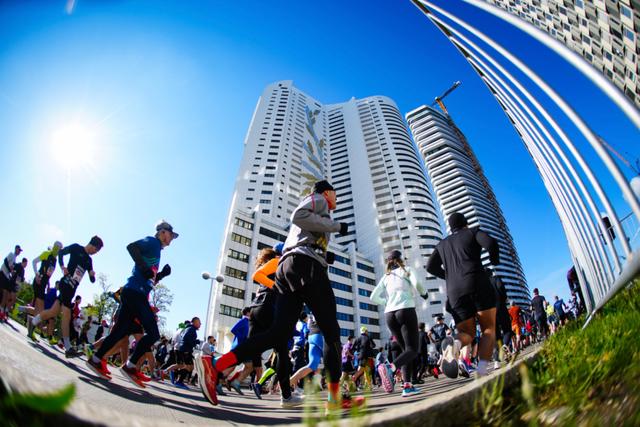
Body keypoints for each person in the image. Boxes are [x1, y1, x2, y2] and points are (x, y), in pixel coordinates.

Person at [197, 180, 357, 410]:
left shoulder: (316, 216)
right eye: (335, 194)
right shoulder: (319, 199)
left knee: (277, 334)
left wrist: (325, 254)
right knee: (331, 332)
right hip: (306, 266)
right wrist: (337, 226)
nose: (336, 200)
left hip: (290, 267)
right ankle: (333, 400)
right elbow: (299, 215)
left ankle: (217, 365)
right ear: (327, 191)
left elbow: (304, 236)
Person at [86, 221, 175, 387]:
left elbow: (149, 278)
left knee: (119, 332)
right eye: (171, 235)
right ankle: (130, 366)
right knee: (154, 334)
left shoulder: (156, 250)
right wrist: (142, 267)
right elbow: (131, 247)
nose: (172, 239)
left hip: (134, 292)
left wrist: (162, 274)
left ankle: (96, 359)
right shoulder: (152, 242)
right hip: (135, 293)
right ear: (162, 232)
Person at [426, 212, 500, 378]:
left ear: (451, 228)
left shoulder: (442, 244)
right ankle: (481, 371)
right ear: (465, 223)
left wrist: (448, 276)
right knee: (488, 328)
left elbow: (430, 266)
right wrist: (494, 260)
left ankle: (455, 344)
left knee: (467, 333)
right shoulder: (472, 232)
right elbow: (491, 243)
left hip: (455, 292)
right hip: (478, 282)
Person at [29, 237, 103, 356]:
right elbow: (61, 253)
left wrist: (92, 275)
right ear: (93, 246)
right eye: (96, 250)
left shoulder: (89, 261)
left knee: (52, 312)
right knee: (67, 314)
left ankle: (33, 321)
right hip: (65, 283)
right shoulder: (76, 248)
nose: (95, 253)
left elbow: (92, 279)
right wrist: (63, 267)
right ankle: (68, 347)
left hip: (73, 288)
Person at [370, 249, 425, 397]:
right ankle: (390, 367)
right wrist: (424, 293)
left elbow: (373, 296)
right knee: (412, 349)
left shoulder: (386, 277)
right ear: (401, 260)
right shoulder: (406, 270)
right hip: (405, 310)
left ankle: (407, 386)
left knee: (406, 352)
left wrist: (386, 302)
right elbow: (418, 283)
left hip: (389, 314)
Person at [31, 242, 63, 320]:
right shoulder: (47, 253)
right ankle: (33, 324)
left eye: (60, 248)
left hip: (44, 284)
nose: (57, 248)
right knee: (41, 308)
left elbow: (48, 274)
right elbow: (34, 261)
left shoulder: (55, 260)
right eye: (56, 246)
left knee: (38, 309)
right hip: (39, 281)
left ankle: (31, 325)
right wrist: (36, 275)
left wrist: (48, 285)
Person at [0, 257, 27, 322]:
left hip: (16, 286)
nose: (26, 265)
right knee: (9, 298)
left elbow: (21, 279)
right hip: (12, 283)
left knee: (12, 299)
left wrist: (23, 280)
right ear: (23, 262)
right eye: (25, 264)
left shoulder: (23, 270)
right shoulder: (17, 265)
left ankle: (5, 311)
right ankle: (4, 311)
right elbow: (12, 270)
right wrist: (13, 273)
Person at [0, 245, 22, 322]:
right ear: (16, 249)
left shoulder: (15, 259)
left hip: (6, 276)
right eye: (19, 250)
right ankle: (2, 311)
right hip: (3, 273)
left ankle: (2, 311)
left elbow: (11, 267)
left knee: (5, 294)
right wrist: (9, 270)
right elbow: (5, 261)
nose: (19, 252)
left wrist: (11, 272)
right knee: (4, 293)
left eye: (20, 251)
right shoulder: (11, 254)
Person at [351, 326, 376, 390]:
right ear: (365, 331)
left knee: (362, 370)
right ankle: (352, 380)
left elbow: (353, 348)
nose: (368, 332)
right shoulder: (368, 337)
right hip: (367, 356)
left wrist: (358, 352)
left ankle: (369, 385)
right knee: (365, 371)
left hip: (361, 356)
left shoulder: (357, 338)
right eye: (367, 331)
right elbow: (373, 345)